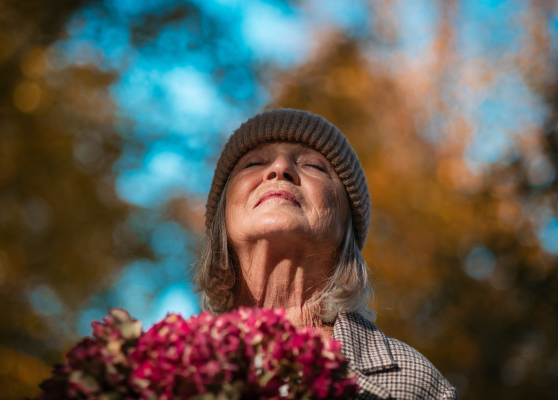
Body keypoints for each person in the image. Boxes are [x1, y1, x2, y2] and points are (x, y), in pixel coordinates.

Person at [195, 109, 458, 399]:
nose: (280, 168)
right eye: (254, 163)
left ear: (347, 223)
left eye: (314, 166)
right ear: (223, 219)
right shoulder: (163, 366)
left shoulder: (414, 382)